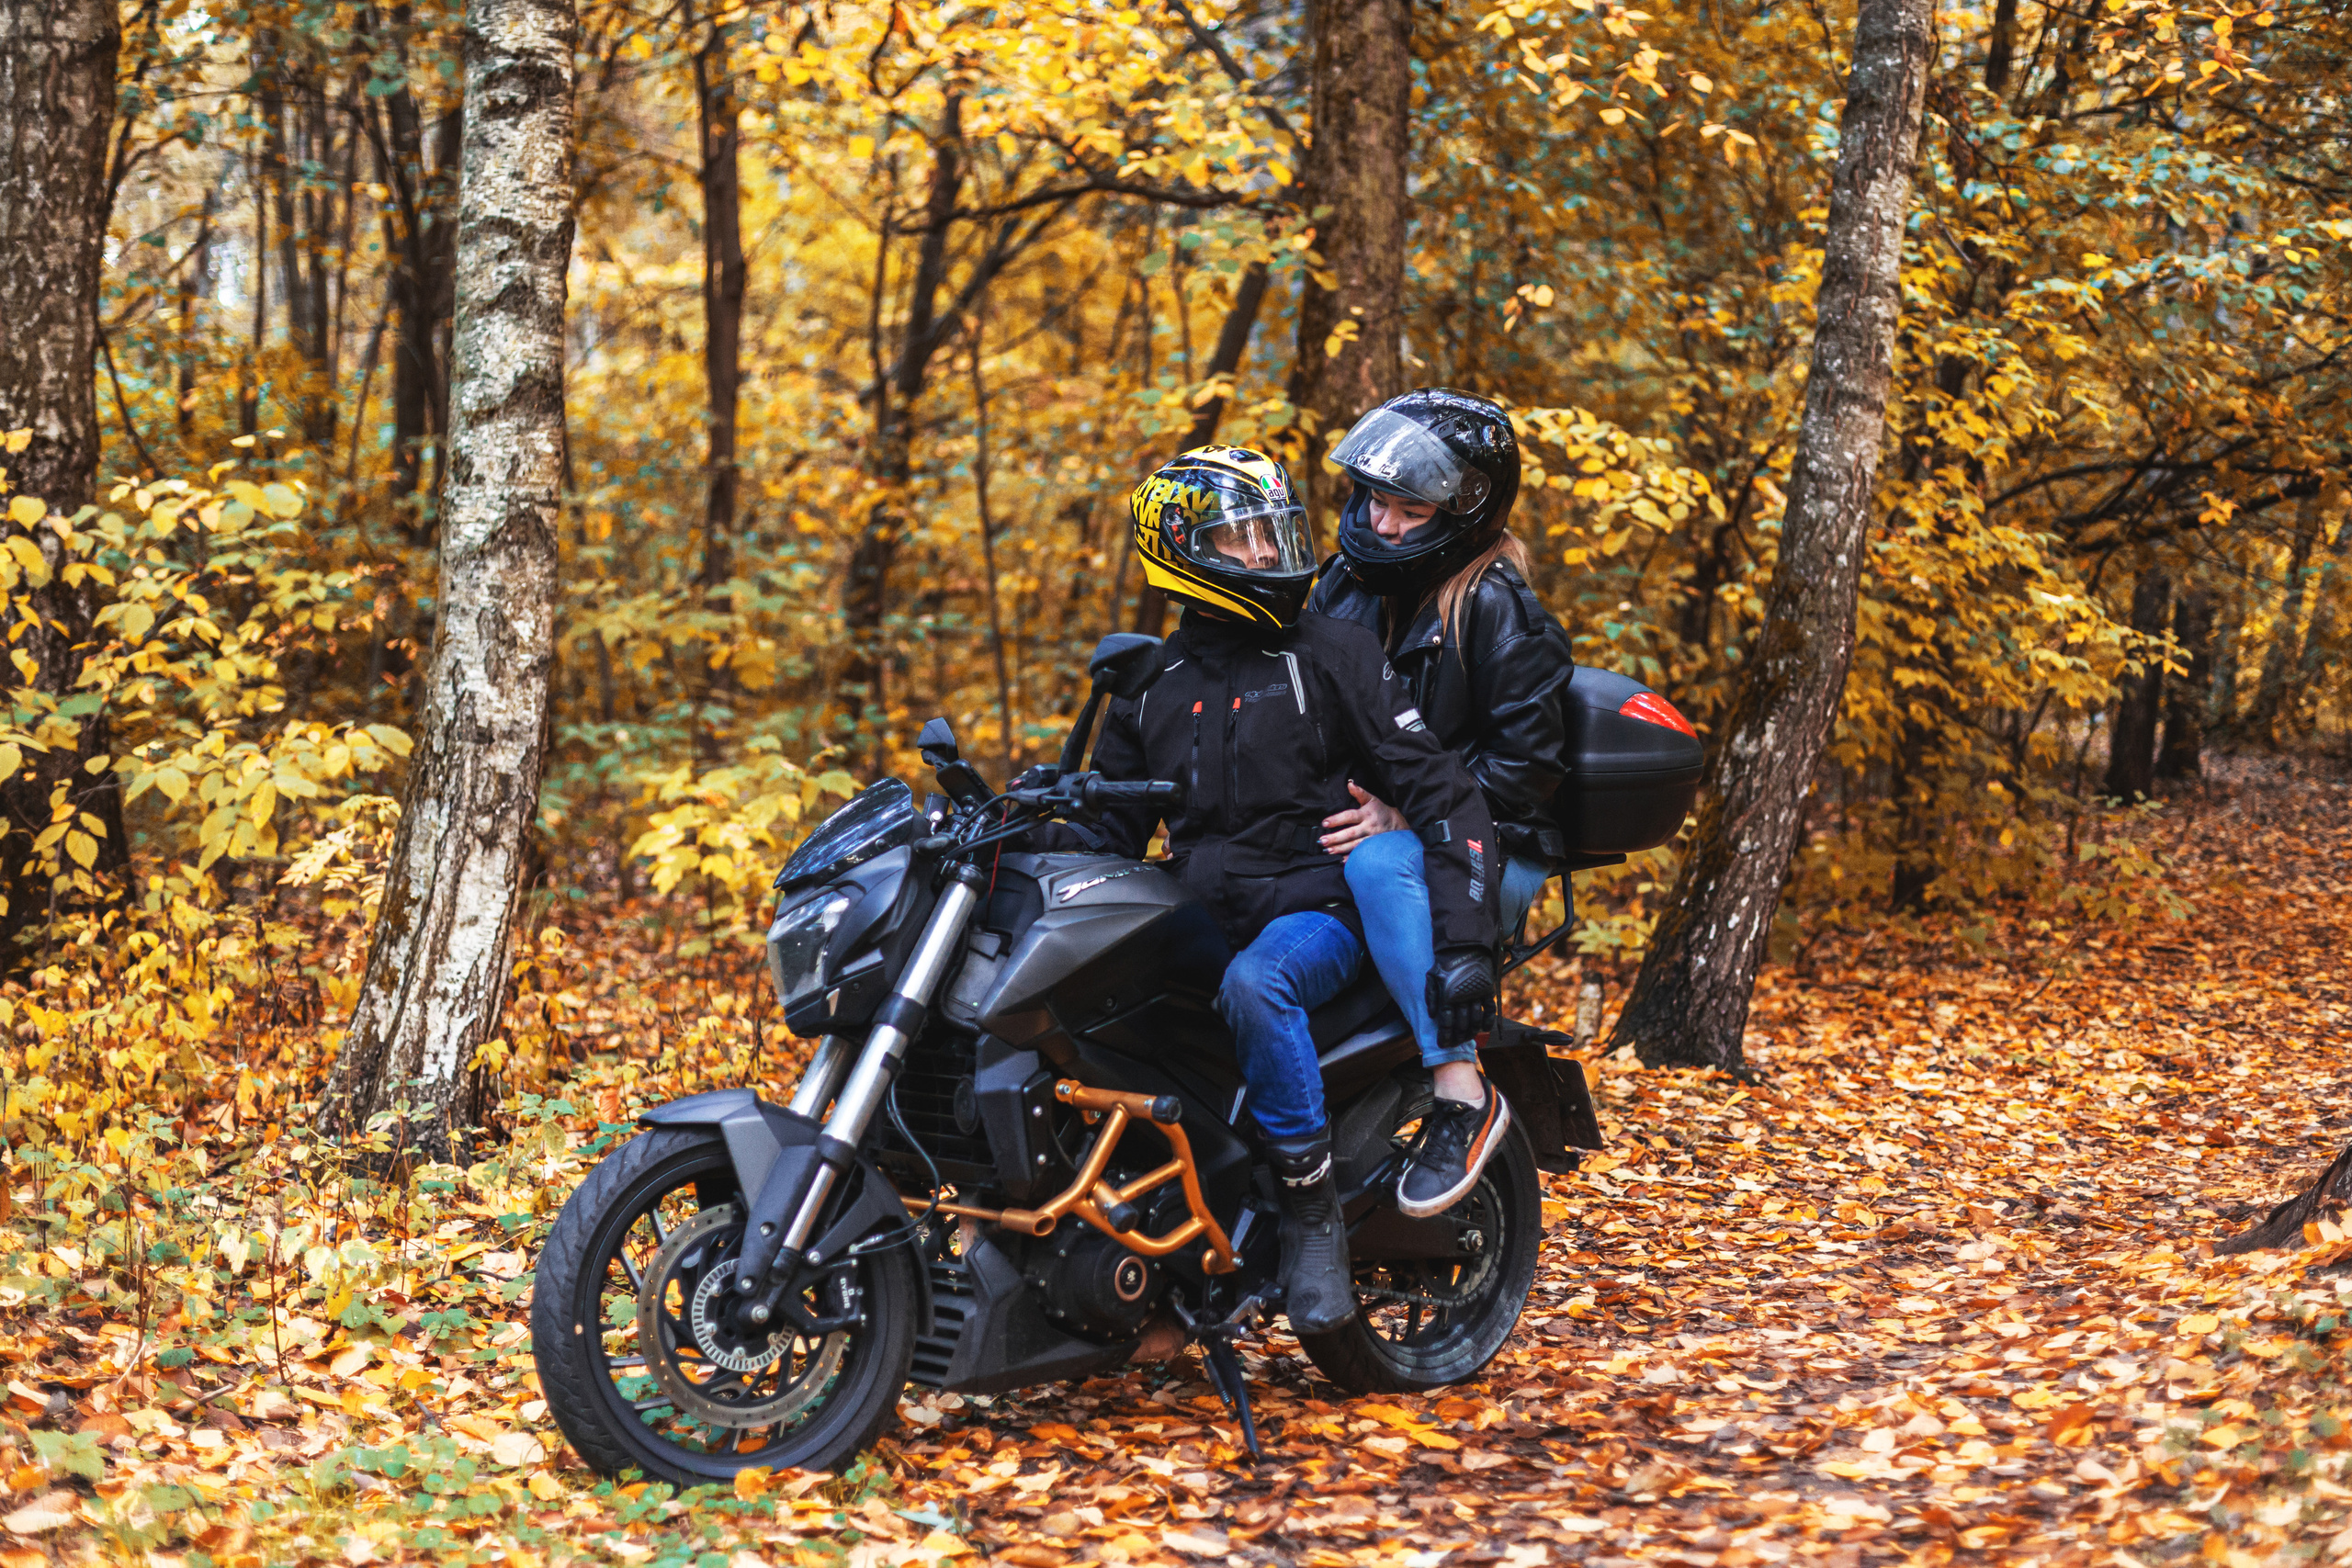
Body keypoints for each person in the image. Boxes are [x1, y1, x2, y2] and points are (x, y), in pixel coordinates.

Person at [1040, 445, 1499, 1334]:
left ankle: (1309, 1212)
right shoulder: (1151, 686)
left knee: (1262, 982)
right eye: (1242, 538)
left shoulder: (1334, 653)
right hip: (1201, 911)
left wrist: (1467, 942)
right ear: (1180, 551)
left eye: (1272, 533)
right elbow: (1108, 832)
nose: (1267, 554)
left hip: (1315, 910)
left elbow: (1442, 790)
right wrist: (1014, 828)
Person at [1306, 388, 1577, 1220]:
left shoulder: (1498, 612)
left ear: (1463, 510)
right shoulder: (1344, 586)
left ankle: (1461, 1089)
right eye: (1376, 501)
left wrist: (1403, 812)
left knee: (1385, 860)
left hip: (1485, 842)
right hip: (1371, 828)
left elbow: (1527, 767)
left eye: (1408, 510)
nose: (1383, 526)